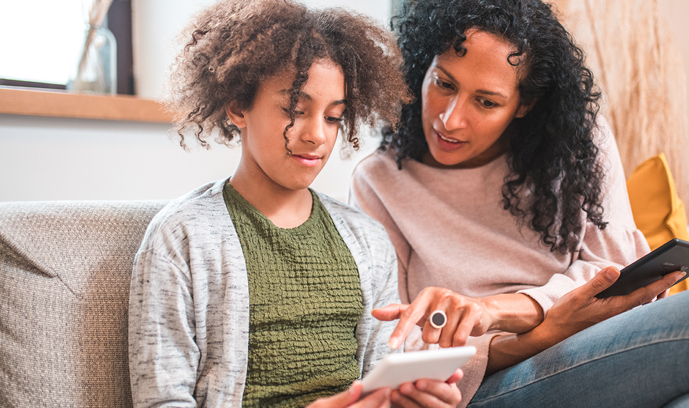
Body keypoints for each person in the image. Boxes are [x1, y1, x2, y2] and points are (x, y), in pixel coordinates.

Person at [349, 0, 689, 406]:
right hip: (479, 386)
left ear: (524, 105)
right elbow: (395, 349)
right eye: (444, 83)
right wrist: (539, 334)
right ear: (421, 65)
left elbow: (614, 269)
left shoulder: (576, 143)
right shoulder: (380, 182)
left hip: (591, 351)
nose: (451, 120)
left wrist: (504, 308)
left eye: (486, 101)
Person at [128, 1, 464, 407]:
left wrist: (411, 399)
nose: (316, 136)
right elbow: (161, 399)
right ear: (239, 105)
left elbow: (379, 384)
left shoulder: (369, 242)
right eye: (294, 110)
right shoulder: (183, 236)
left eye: (333, 117)